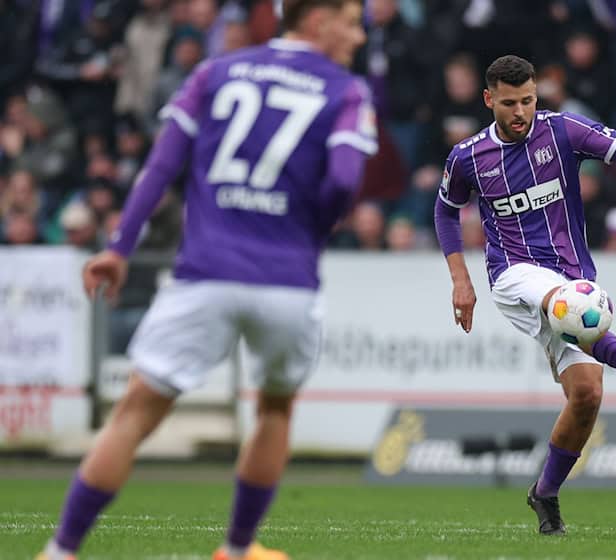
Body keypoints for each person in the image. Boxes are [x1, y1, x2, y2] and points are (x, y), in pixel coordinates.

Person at [36, 1, 373, 559]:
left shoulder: (215, 72)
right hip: (287, 280)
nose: (358, 37)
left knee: (135, 413)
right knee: (274, 409)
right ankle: (238, 550)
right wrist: (311, 228)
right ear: (318, 22)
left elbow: (162, 166)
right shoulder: (347, 91)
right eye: (351, 22)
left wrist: (119, 247)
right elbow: (342, 181)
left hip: (205, 272)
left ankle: (60, 551)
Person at [433, 55, 616, 537]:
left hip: (575, 280)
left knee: (586, 396)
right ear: (489, 99)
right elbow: (445, 212)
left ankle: (545, 494)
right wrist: (460, 279)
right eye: (510, 103)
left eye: (529, 101)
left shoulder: (563, 131)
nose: (521, 112)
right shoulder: (468, 156)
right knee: (569, 304)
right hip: (514, 276)